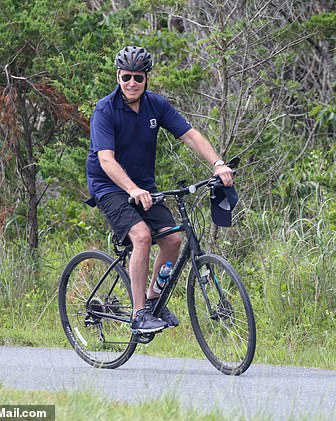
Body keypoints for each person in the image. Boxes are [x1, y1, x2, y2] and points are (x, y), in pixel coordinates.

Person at [86, 46, 234, 334]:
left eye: (138, 78)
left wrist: (218, 164)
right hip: (109, 186)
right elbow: (106, 159)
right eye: (126, 76)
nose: (132, 83)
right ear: (118, 77)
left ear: (146, 79)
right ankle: (139, 313)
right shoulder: (105, 109)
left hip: (143, 186)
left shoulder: (156, 106)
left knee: (174, 240)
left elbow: (190, 136)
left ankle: (154, 299)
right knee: (141, 237)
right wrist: (131, 188)